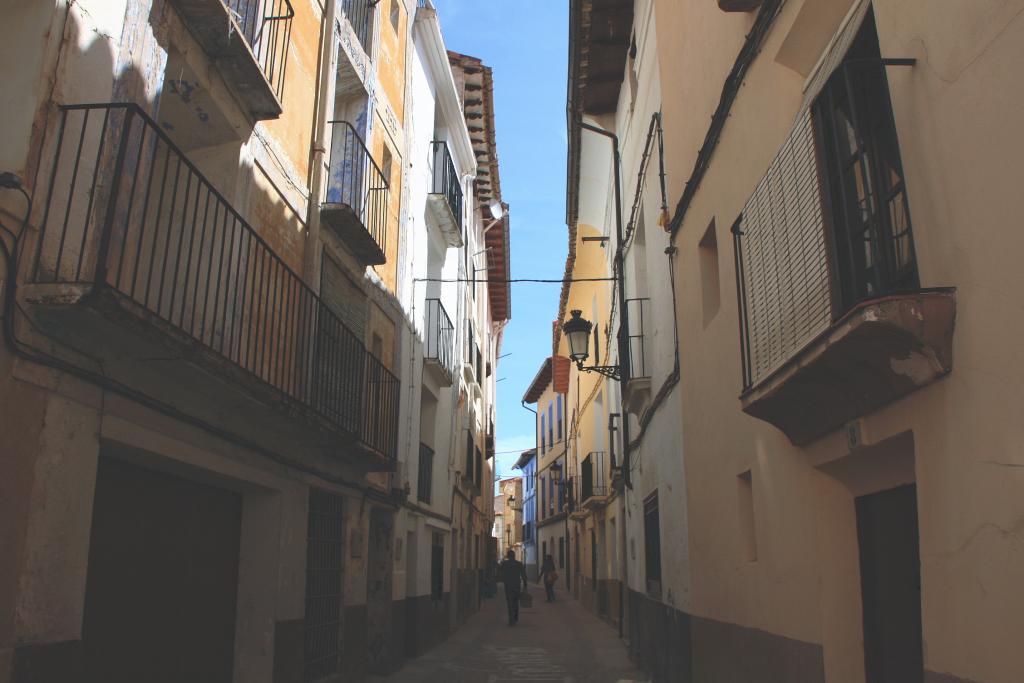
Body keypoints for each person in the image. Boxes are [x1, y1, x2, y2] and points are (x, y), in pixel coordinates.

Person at [499, 549, 529, 625]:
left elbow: (499, 572)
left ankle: (511, 619)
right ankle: (515, 617)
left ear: (508, 556)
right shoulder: (519, 564)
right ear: (514, 556)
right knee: (515, 602)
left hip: (508, 586)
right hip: (516, 586)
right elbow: (524, 575)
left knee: (510, 603)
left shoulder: (504, 564)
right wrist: (525, 585)